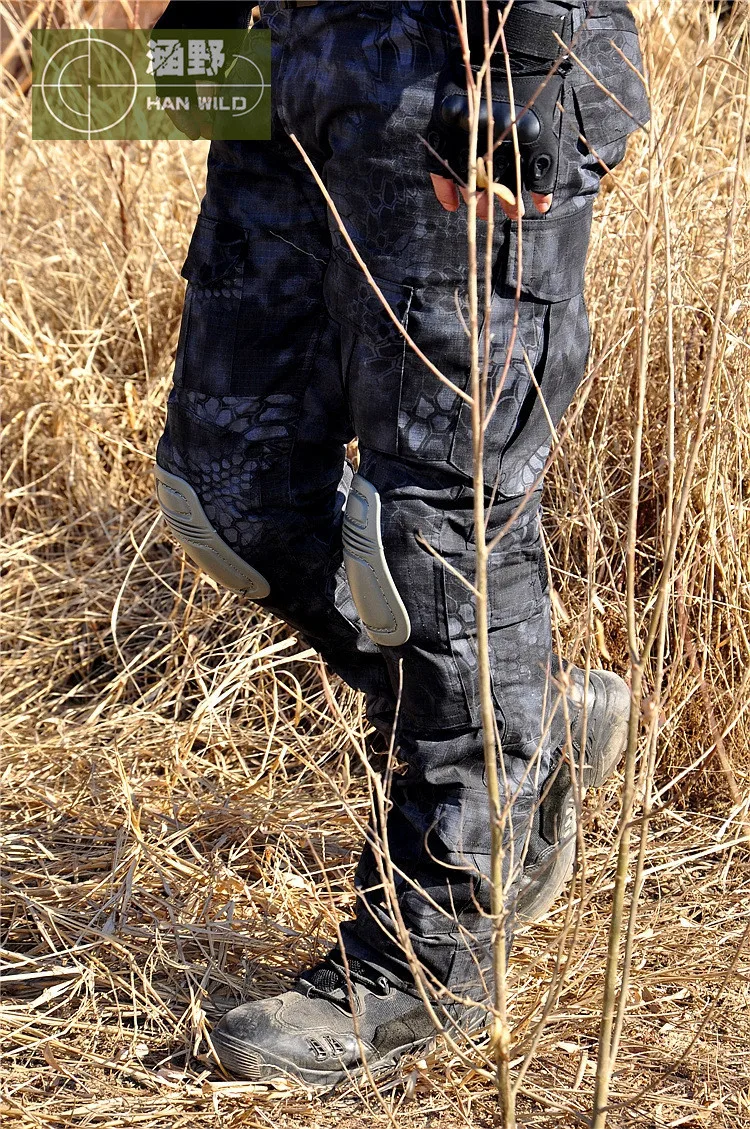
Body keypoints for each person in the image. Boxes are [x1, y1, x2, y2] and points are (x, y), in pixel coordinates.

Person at [152, 0, 648, 1087]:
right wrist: (185, 35)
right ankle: (527, 721)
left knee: (435, 520)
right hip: (281, 51)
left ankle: (434, 953)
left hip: (458, 60)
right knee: (223, 497)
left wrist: (513, 77)